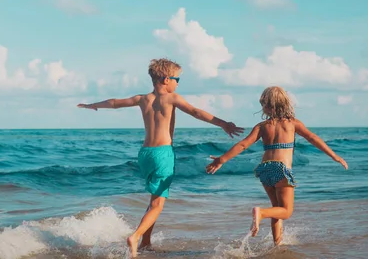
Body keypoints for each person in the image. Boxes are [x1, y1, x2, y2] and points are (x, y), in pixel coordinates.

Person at [77, 58, 244, 257]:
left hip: (145, 154)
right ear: (166, 79)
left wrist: (92, 105)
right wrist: (223, 124)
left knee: (153, 200)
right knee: (158, 204)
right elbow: (196, 112)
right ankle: (136, 236)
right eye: (177, 80)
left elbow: (115, 103)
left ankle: (146, 243)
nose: (177, 83)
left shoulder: (142, 99)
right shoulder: (172, 98)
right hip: (163, 154)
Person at [205, 86, 348, 245]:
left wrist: (222, 159)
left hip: (264, 169)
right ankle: (261, 213)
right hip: (281, 170)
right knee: (286, 211)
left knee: (277, 209)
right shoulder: (293, 123)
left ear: (267, 107)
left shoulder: (261, 126)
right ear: (285, 104)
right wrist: (334, 155)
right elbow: (313, 138)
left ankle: (277, 245)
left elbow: (243, 145)